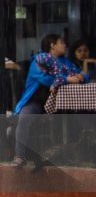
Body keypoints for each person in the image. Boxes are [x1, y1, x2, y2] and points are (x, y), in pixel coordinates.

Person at [12, 34, 89, 169]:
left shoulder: (65, 62)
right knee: (25, 117)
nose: (65, 45)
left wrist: (80, 76)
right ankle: (20, 156)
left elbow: (84, 75)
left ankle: (76, 155)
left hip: (61, 104)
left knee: (81, 116)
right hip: (37, 102)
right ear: (52, 45)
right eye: (61, 42)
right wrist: (67, 79)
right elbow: (46, 79)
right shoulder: (38, 61)